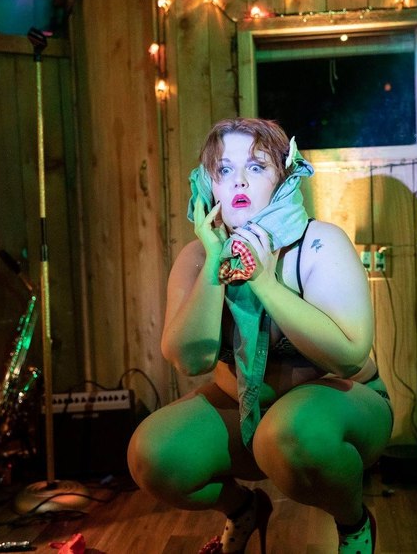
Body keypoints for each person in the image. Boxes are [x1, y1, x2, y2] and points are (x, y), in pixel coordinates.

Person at [127, 118, 393, 553]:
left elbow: (347, 357)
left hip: (339, 410)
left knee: (287, 433)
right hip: (245, 410)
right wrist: (214, 262)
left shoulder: (319, 244)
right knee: (152, 455)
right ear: (207, 184)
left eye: (256, 166)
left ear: (283, 177)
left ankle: (354, 523)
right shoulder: (196, 257)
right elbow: (189, 360)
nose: (239, 181)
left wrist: (265, 281)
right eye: (224, 169)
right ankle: (244, 509)